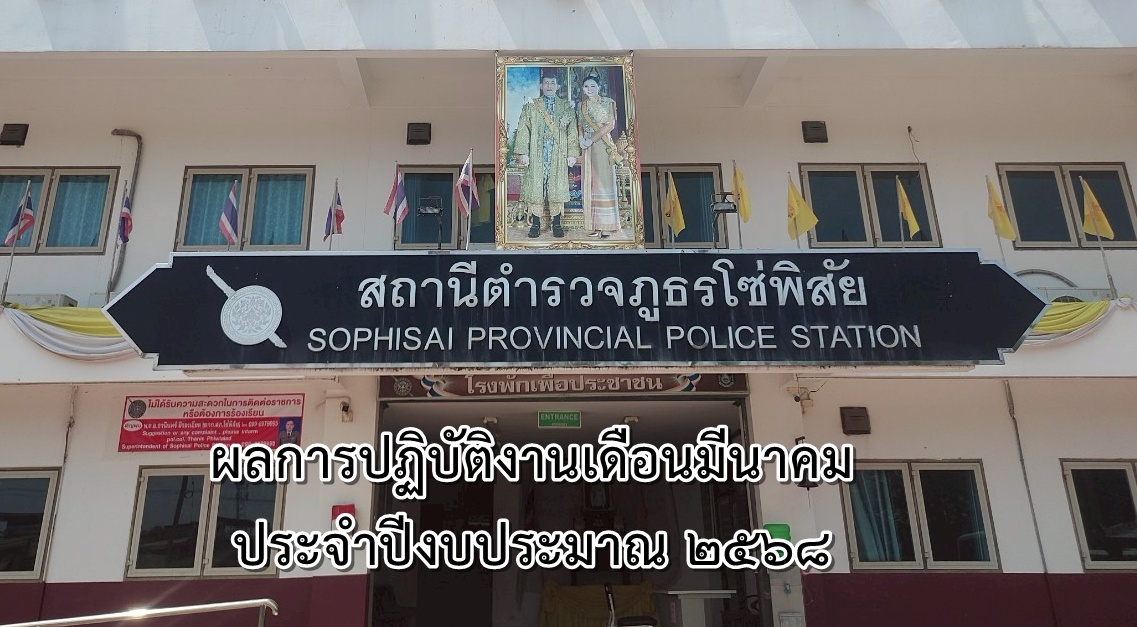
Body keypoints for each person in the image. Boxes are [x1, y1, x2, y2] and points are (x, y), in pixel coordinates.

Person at [513, 69, 579, 238]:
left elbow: (572, 131)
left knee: (557, 187)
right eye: (546, 83)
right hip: (537, 153)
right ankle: (535, 224)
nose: (549, 86)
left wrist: (572, 153)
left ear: (558, 86)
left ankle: (557, 223)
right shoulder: (532, 106)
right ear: (541, 86)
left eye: (552, 83)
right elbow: (523, 129)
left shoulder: (566, 107)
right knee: (536, 187)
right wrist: (523, 152)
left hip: (558, 153)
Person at [577, 75, 622, 238]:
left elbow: (610, 125)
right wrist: (581, 139)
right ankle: (594, 225)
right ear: (583, 89)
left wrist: (592, 139)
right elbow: (580, 125)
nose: (590, 89)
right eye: (586, 86)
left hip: (602, 145)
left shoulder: (608, 103)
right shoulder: (581, 106)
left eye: (593, 86)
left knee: (603, 182)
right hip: (587, 147)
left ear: (599, 87)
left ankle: (606, 226)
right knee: (590, 183)